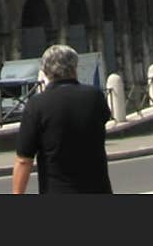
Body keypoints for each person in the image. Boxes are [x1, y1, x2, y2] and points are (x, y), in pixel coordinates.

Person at [12, 44, 112, 195]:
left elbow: (24, 160)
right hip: (98, 189)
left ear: (45, 72)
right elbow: (104, 119)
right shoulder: (94, 96)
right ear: (74, 67)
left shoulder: (37, 104)